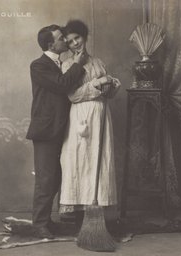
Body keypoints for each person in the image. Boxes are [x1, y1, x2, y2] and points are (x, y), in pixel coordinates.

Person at [26, 24, 88, 239]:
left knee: (60, 177)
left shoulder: (62, 63)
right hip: (46, 130)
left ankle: (46, 221)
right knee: (46, 178)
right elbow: (62, 85)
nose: (66, 41)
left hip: (65, 128)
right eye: (62, 38)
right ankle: (39, 224)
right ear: (51, 44)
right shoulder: (39, 65)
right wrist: (78, 65)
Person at [59, 20, 121, 223]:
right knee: (81, 159)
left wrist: (110, 84)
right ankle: (78, 209)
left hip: (101, 116)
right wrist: (97, 83)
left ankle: (97, 207)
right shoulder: (67, 65)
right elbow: (73, 96)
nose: (75, 44)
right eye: (69, 42)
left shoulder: (98, 62)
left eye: (77, 38)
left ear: (84, 36)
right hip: (81, 117)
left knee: (99, 158)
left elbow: (108, 93)